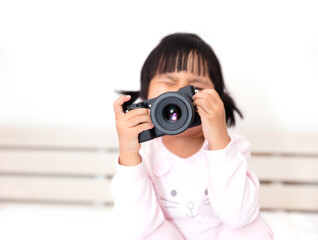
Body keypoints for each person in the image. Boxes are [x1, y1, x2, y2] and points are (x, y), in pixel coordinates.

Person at [111, 33, 274, 240]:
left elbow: (239, 216)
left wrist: (219, 142)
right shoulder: (144, 154)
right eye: (169, 81)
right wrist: (129, 154)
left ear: (217, 99)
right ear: (146, 96)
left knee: (251, 227)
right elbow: (137, 228)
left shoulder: (233, 146)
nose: (179, 93)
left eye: (195, 86)